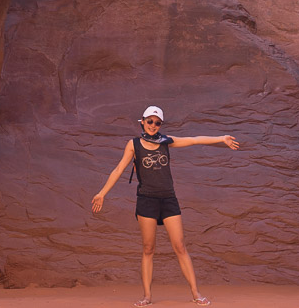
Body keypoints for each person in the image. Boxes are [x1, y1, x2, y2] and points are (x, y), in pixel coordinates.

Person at [91, 105, 241, 307]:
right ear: (143, 121)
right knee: (148, 248)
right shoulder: (133, 145)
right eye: (150, 121)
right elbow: (118, 169)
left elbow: (194, 140)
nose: (153, 125)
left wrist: (221, 138)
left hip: (168, 199)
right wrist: (101, 193)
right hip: (147, 200)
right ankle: (147, 296)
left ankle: (196, 294)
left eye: (157, 122)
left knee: (180, 246)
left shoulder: (166, 141)